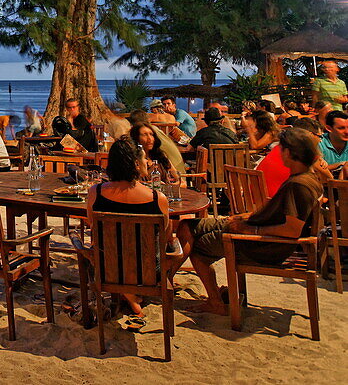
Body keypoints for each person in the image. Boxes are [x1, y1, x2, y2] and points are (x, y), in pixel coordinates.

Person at [178, 128, 324, 315]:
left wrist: (249, 229)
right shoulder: (308, 177)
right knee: (187, 227)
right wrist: (246, 217)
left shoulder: (298, 185)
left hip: (261, 246)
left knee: (198, 249)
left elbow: (292, 230)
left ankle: (214, 302)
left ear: (288, 152)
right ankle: (166, 279)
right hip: (254, 228)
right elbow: (278, 213)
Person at [86, 137, 170, 316]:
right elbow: (164, 234)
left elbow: (92, 227)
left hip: (107, 269)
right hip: (147, 273)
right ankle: (131, 295)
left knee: (100, 250)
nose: (147, 161)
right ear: (136, 164)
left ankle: (129, 295)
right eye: (144, 158)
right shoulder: (158, 198)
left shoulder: (96, 192)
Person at [257, 118, 329, 196]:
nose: (320, 140)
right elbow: (328, 179)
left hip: (261, 201)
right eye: (319, 136)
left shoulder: (280, 148)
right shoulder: (303, 152)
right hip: (283, 202)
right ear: (310, 134)